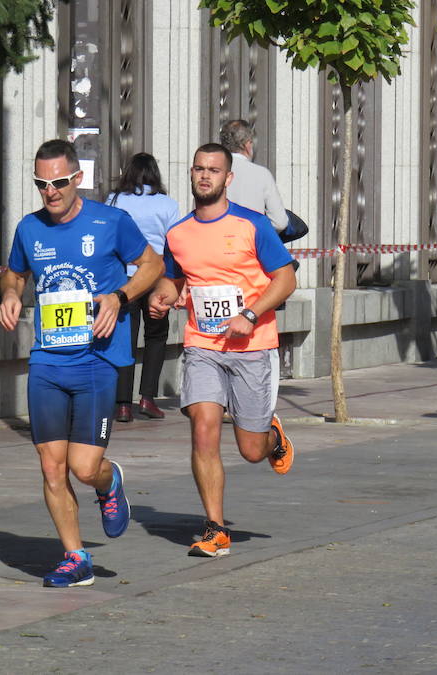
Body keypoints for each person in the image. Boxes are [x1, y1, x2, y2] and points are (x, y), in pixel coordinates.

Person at [0, 139, 163, 587]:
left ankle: (109, 484)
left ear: (77, 179)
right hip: (48, 360)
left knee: (84, 468)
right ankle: (76, 558)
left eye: (57, 183)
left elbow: (152, 264)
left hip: (97, 359)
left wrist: (120, 295)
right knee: (51, 466)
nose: (49, 192)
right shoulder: (29, 228)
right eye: (41, 184)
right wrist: (11, 292)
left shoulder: (111, 222)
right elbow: (14, 271)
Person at [148, 143, 297, 557]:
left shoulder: (253, 225)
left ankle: (271, 437)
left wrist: (250, 313)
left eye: (213, 170)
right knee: (203, 428)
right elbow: (174, 281)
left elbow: (285, 280)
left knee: (251, 451)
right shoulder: (178, 234)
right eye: (199, 168)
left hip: (252, 346)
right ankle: (215, 529)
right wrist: (162, 296)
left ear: (228, 178)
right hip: (203, 345)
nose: (205, 176)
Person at [106, 153, 180, 423]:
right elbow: (174, 245)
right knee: (156, 336)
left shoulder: (114, 201)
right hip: (156, 277)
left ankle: (123, 404)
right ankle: (148, 398)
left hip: (124, 279)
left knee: (126, 338)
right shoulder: (168, 204)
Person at [220, 119, 290, 235]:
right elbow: (280, 222)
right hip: (250, 245)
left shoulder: (212, 172)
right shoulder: (262, 174)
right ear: (247, 144)